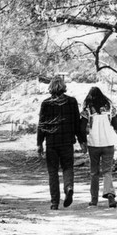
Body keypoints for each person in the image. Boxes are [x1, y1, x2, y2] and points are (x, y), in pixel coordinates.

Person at [37, 76, 87, 210]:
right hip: (67, 142)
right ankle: (69, 187)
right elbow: (77, 123)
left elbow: (41, 125)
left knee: (52, 172)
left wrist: (39, 143)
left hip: (51, 143)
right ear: (63, 86)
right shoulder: (71, 102)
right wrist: (82, 141)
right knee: (67, 167)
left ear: (51, 87)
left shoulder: (46, 103)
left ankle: (54, 202)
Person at [81, 86, 117, 208]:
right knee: (107, 171)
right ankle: (110, 195)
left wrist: (82, 141)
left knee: (94, 173)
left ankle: (94, 200)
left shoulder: (87, 110)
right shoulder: (109, 109)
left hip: (94, 144)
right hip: (108, 143)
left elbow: (81, 128)